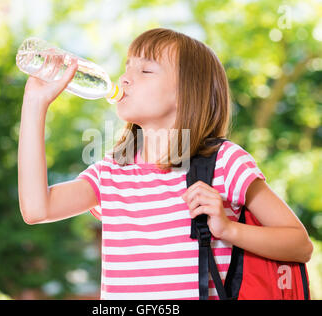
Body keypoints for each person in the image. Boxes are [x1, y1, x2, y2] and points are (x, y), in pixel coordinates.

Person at [18, 28, 313, 300]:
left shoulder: (224, 163)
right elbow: (36, 209)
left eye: (145, 70)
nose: (124, 79)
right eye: (127, 67)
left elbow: (300, 244)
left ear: (187, 93)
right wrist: (35, 103)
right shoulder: (110, 173)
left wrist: (228, 230)